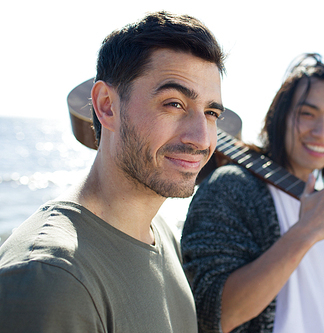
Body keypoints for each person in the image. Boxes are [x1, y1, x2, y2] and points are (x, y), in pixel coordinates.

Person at [0, 11, 225, 332]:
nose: (201, 137)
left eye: (211, 112)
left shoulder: (159, 231)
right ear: (107, 105)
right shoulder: (50, 278)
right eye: (173, 103)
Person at [181, 53, 324, 333]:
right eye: (307, 114)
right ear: (280, 117)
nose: (322, 131)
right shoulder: (230, 187)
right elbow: (213, 317)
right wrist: (306, 231)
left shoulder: (323, 204)